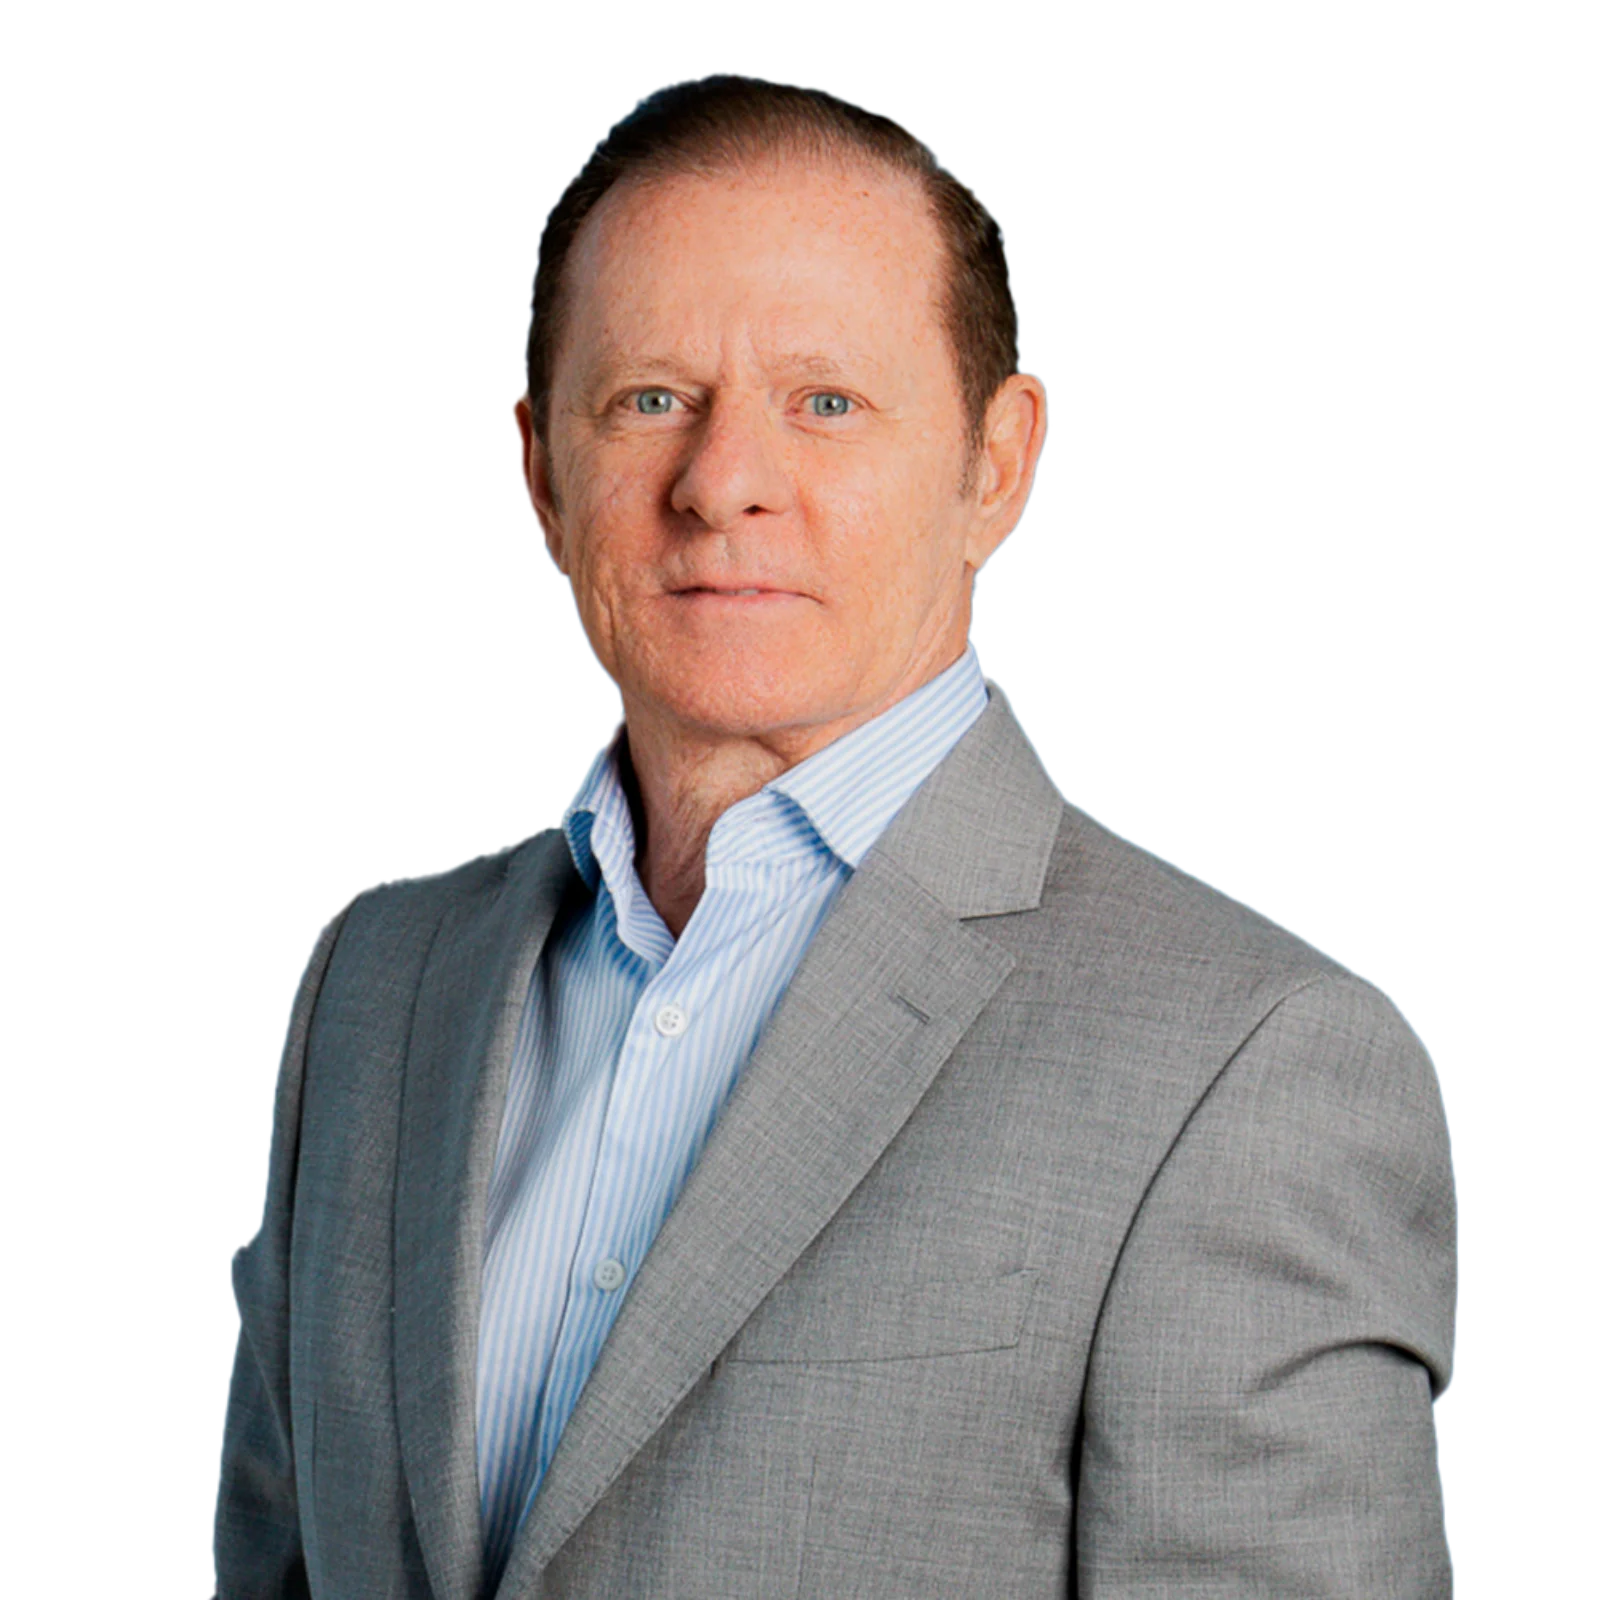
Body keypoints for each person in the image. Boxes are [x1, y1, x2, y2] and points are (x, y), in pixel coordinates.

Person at [213, 74, 1458, 1598]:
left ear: (996, 464)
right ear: (537, 469)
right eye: (651, 398)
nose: (725, 484)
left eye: (826, 403)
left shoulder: (1247, 1064)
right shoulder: (373, 986)